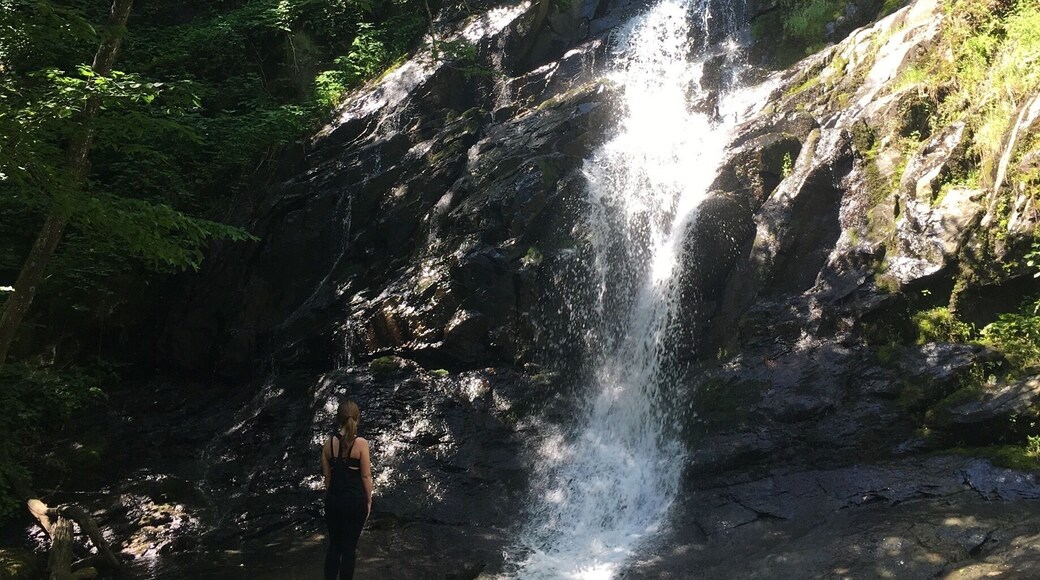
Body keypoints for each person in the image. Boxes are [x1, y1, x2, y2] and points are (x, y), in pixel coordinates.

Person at [321, 400, 372, 580]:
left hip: (334, 501)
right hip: (354, 502)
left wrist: (334, 495)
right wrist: (368, 501)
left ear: (338, 420)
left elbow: (327, 478)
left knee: (334, 546)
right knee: (349, 549)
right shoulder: (361, 444)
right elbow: (366, 476)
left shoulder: (328, 444)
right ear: (357, 419)